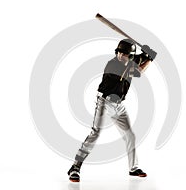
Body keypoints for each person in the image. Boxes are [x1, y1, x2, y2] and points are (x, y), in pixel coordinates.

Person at [67, 39, 157, 182]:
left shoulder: (130, 60)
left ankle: (133, 168)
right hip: (104, 102)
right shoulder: (113, 64)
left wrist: (146, 55)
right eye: (119, 52)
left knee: (130, 135)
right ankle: (75, 167)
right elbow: (138, 71)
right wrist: (149, 59)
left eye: (124, 53)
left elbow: (137, 59)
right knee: (95, 133)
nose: (121, 55)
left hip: (118, 105)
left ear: (130, 55)